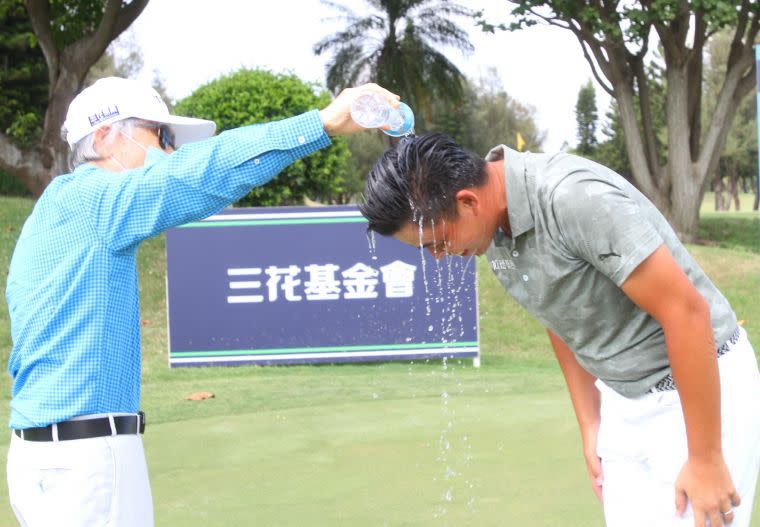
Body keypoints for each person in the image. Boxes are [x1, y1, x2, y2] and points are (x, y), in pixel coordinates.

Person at [4, 76, 399, 527]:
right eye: (161, 136)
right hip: (87, 461)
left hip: (39, 459)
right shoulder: (96, 200)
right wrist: (321, 124)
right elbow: (198, 174)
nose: (168, 153)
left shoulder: (54, 211)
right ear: (102, 136)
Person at [359, 133, 760, 527]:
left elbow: (687, 312)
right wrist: (590, 425)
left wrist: (706, 457)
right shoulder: (492, 231)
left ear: (468, 201)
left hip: (702, 393)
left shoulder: (571, 197)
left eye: (437, 241)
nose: (438, 255)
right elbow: (560, 314)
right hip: (624, 399)